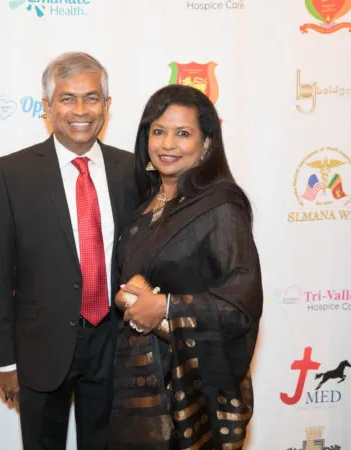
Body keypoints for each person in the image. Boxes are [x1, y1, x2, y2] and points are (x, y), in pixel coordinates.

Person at [0, 52, 137, 450]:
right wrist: (5, 361)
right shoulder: (11, 174)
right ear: (47, 107)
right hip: (40, 349)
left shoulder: (133, 170)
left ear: (107, 105)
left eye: (92, 98)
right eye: (67, 99)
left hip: (115, 344)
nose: (81, 110)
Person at [109, 84, 263, 449]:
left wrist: (165, 308)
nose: (167, 144)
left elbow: (240, 303)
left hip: (189, 393)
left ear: (206, 143)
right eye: (158, 131)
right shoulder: (145, 205)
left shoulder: (220, 207)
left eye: (183, 133)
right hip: (139, 389)